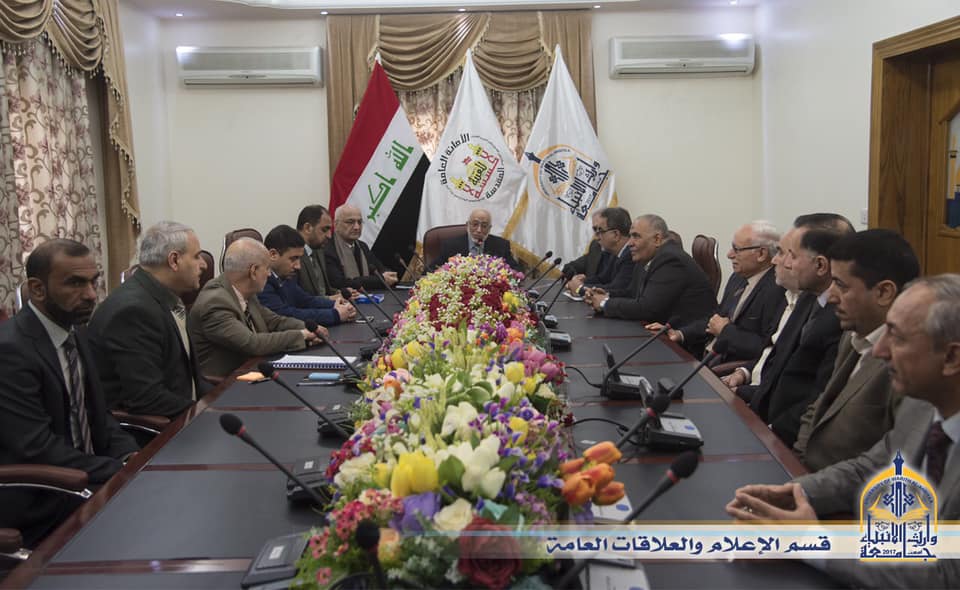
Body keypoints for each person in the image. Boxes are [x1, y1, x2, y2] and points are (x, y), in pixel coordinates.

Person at [726, 275, 960, 589]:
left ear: (951, 358)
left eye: (897, 337)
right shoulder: (921, 406)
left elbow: (945, 575)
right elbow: (868, 470)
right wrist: (792, 494)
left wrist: (813, 540)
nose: (880, 350)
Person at [0, 240, 138, 546]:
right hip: (41, 498)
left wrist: (131, 454)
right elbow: (36, 448)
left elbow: (99, 415)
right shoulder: (10, 351)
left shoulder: (75, 331)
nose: (91, 294)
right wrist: (120, 470)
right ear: (38, 289)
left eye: (93, 282)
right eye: (75, 283)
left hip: (84, 479)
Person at [793, 229, 920, 471]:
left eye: (841, 285)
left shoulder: (910, 363)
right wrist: (794, 464)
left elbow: (890, 463)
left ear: (883, 292)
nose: (831, 297)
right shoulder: (852, 335)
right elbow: (818, 409)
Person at [736, 219, 850, 446]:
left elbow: (818, 398)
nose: (781, 262)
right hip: (763, 419)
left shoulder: (841, 318)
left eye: (792, 255)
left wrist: (769, 433)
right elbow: (776, 368)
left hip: (785, 438)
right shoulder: (808, 298)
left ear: (820, 265)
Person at [88, 221, 207, 418]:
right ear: (174, 260)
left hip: (185, 412)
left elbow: (190, 379)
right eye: (196, 256)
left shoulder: (163, 297)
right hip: (161, 429)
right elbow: (148, 398)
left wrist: (223, 401)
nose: (203, 264)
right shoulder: (133, 312)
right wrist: (208, 413)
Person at [189, 238, 326, 379]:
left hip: (253, 370)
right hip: (227, 384)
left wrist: (311, 329)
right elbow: (252, 343)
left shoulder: (246, 291)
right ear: (253, 271)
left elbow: (274, 321)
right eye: (267, 269)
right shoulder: (215, 302)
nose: (269, 274)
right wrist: (302, 335)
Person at [665, 220, 784, 364]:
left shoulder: (778, 289)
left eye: (737, 249)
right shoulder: (738, 278)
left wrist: (725, 331)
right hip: (705, 356)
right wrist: (680, 333)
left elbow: (766, 348)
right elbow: (715, 318)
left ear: (761, 254)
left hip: (728, 367)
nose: (729, 255)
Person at [586, 214, 716, 332]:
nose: (630, 243)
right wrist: (606, 295)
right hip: (657, 330)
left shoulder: (670, 259)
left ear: (657, 239)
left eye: (636, 236)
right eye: (630, 236)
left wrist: (604, 303)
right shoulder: (646, 257)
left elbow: (647, 309)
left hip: (682, 340)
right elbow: (632, 293)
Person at [259, 224, 355, 326]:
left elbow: (306, 301)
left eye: (299, 258)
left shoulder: (284, 277)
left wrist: (336, 305)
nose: (298, 266)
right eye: (293, 259)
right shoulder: (261, 282)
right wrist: (335, 314)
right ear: (273, 254)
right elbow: (284, 314)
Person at [565, 207, 636, 298]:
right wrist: (581, 281)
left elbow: (617, 289)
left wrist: (580, 288)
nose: (596, 237)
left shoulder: (631, 255)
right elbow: (602, 279)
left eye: (600, 231)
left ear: (616, 235)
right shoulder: (615, 253)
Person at [324, 204, 397, 291]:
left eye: (359, 222)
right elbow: (339, 282)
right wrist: (381, 280)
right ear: (336, 225)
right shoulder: (328, 248)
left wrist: (389, 275)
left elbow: (380, 268)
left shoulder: (362, 246)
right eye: (350, 222)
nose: (357, 227)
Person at [430, 208, 520, 271]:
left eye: (484, 226)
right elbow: (430, 270)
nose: (479, 230)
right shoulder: (450, 245)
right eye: (475, 224)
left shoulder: (501, 245)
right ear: (467, 225)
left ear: (489, 228)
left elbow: (516, 271)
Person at [295, 205, 336, 297]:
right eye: (325, 229)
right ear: (307, 228)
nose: (329, 236)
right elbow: (297, 297)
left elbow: (322, 290)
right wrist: (329, 300)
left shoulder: (318, 250)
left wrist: (340, 293)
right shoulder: (292, 254)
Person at [561, 210, 610, 279]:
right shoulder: (596, 245)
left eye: (600, 229)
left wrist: (583, 283)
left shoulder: (619, 254)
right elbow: (576, 265)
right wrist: (571, 271)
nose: (596, 234)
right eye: (595, 229)